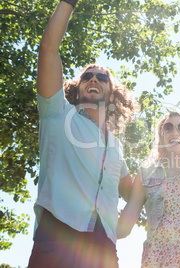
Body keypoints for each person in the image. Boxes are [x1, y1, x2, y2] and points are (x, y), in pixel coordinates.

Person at [28, 0, 137, 267]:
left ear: (112, 94)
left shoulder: (116, 147)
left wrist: (125, 227)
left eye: (102, 77)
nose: (94, 79)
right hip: (57, 238)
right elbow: (48, 50)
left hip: (103, 250)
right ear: (77, 90)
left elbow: (134, 191)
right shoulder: (57, 114)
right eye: (87, 76)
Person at [117, 34, 180, 267]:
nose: (175, 132)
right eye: (168, 127)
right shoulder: (146, 173)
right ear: (160, 135)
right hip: (157, 258)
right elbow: (124, 226)